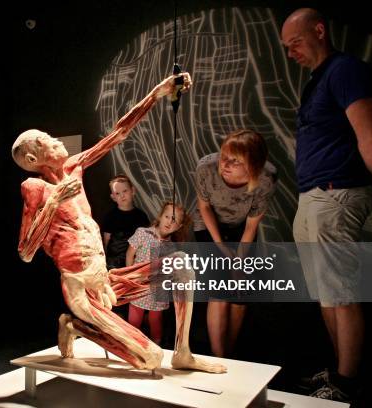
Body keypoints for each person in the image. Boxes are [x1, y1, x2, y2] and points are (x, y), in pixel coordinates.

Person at [12, 72, 226, 373]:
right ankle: (75, 325)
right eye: (47, 141)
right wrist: (54, 200)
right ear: (34, 159)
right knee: (150, 358)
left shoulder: (74, 168)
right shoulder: (35, 188)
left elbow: (119, 133)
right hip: (80, 288)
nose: (56, 139)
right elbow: (26, 251)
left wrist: (157, 92)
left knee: (180, 263)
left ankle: (183, 352)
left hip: (106, 277)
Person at [281, 8, 372, 402]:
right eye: (285, 47)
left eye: (295, 42)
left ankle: (348, 381)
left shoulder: (345, 70)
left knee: (339, 291)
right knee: (327, 292)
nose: (290, 52)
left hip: (336, 192)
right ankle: (339, 368)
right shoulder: (318, 79)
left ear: (320, 31)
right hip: (314, 196)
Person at [193, 129, 277, 358]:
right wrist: (220, 247)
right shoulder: (205, 169)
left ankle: (230, 354)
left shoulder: (266, 179)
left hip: (242, 228)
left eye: (235, 161)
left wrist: (239, 261)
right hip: (209, 227)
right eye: (223, 156)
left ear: (252, 164)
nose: (225, 164)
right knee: (220, 291)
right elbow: (204, 207)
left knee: (240, 293)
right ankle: (219, 358)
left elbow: (251, 226)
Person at [126, 202, 192, 345]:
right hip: (138, 283)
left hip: (158, 288)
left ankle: (157, 346)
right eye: (167, 216)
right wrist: (129, 277)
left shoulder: (172, 246)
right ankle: (132, 345)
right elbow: (130, 254)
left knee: (156, 320)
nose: (169, 221)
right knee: (134, 319)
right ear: (160, 217)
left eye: (174, 220)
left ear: (179, 226)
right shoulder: (142, 233)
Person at [102, 175, 150, 270]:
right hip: (114, 262)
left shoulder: (141, 216)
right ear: (113, 197)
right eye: (117, 193)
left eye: (125, 191)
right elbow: (106, 240)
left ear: (133, 191)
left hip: (134, 260)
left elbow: (146, 239)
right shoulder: (110, 216)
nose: (122, 195)